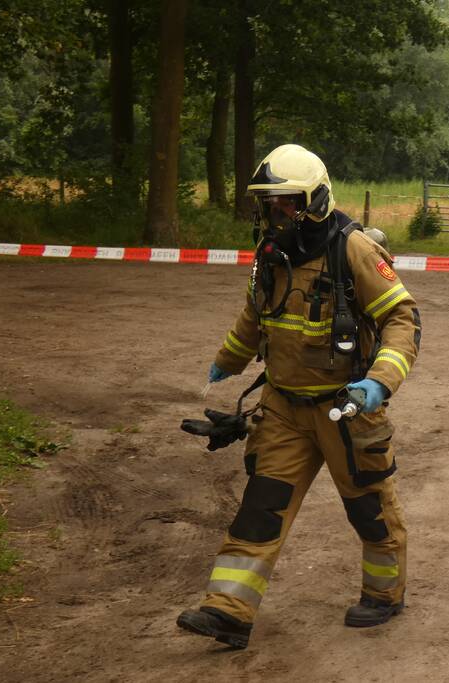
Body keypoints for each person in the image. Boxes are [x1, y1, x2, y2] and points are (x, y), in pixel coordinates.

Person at [177, 144, 420, 648]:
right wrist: (227, 361)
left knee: (369, 508)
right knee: (261, 506)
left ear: (316, 200)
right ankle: (228, 611)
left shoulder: (353, 249)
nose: (275, 213)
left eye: (286, 202)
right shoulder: (271, 253)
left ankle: (383, 593)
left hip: (345, 409)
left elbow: (403, 319)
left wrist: (380, 381)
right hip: (283, 408)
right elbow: (254, 318)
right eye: (268, 204)